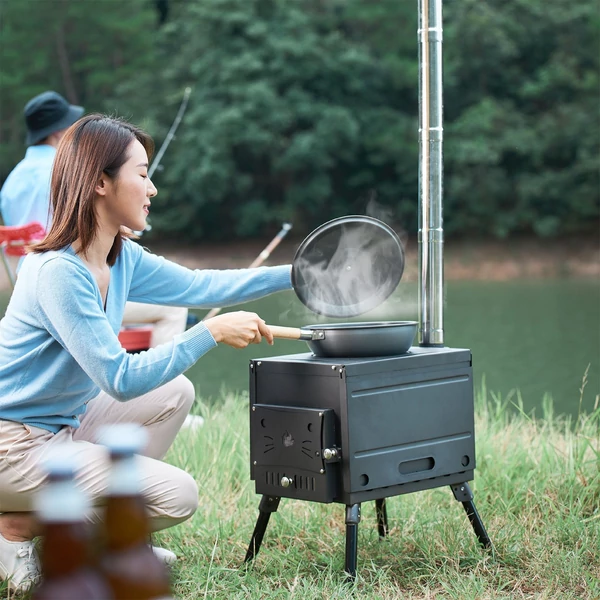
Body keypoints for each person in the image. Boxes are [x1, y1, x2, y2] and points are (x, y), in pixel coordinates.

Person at [0, 114, 292, 593]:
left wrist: (297, 273)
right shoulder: (57, 271)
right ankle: (15, 531)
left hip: (59, 428)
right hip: (12, 445)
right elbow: (120, 379)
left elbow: (202, 285)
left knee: (174, 392)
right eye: (141, 174)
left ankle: (106, 535)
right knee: (177, 495)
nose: (152, 188)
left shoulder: (120, 255)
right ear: (99, 182)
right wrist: (210, 333)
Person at [0, 90, 188, 348]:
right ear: (59, 133)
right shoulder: (67, 173)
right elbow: (78, 231)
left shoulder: (11, 182)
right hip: (73, 287)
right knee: (174, 309)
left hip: (24, 289)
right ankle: (160, 384)